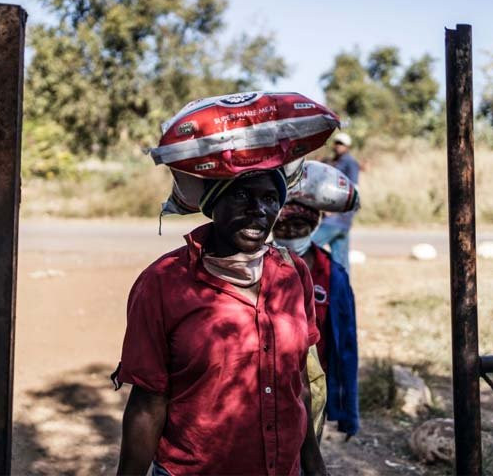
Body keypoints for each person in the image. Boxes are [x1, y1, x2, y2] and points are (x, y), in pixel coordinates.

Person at [113, 169, 327, 476]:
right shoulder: (163, 282)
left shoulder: (293, 275)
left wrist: (314, 465)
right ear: (214, 203)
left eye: (269, 197)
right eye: (241, 195)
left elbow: (299, 383)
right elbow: (148, 403)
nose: (259, 209)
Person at [273, 200, 359, 438]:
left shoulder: (332, 274)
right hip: (266, 383)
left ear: (312, 227)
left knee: (308, 448)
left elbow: (346, 344)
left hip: (313, 384)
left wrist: (348, 414)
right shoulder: (255, 264)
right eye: (281, 225)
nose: (289, 232)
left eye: (298, 225)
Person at [312, 132, 360, 270]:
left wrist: (335, 208)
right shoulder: (335, 162)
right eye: (337, 143)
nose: (338, 146)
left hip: (337, 216)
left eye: (341, 144)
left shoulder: (349, 163)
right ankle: (343, 289)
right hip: (341, 220)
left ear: (348, 146)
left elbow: (353, 189)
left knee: (307, 247)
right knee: (341, 259)